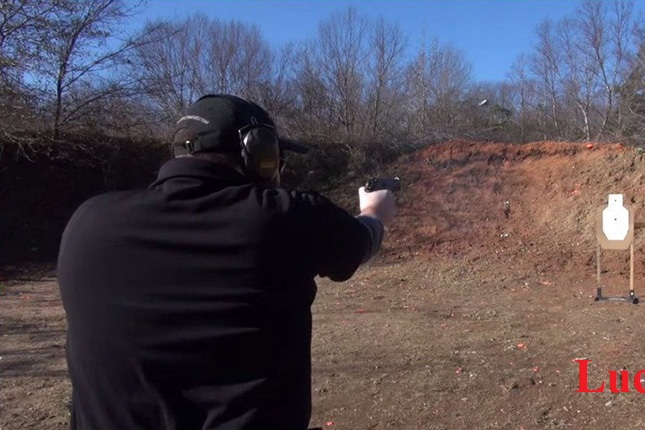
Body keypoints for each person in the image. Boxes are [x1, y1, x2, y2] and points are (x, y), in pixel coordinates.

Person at [57, 94, 396, 429]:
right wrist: (375, 211)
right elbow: (359, 243)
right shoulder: (284, 217)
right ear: (258, 152)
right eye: (276, 158)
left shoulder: (87, 222)